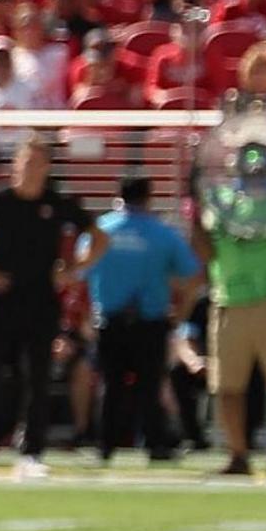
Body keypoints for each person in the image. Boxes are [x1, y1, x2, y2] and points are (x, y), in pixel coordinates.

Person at [0, 138, 97, 480]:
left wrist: (73, 270)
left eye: (36, 162)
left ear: (46, 167)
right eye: (23, 162)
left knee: (37, 376)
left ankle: (31, 453)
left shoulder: (57, 203)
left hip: (41, 300)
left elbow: (98, 237)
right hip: (1, 300)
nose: (28, 169)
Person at [195, 128, 266, 481]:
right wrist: (192, 212)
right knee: (227, 386)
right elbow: (206, 251)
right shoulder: (221, 202)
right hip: (230, 297)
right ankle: (238, 453)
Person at [84, 173, 202, 463]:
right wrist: (182, 313)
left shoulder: (101, 229)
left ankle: (105, 444)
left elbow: (82, 268)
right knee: (150, 384)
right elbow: (193, 276)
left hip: (109, 318)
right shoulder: (162, 233)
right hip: (150, 320)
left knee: (110, 385)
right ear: (148, 197)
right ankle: (154, 444)